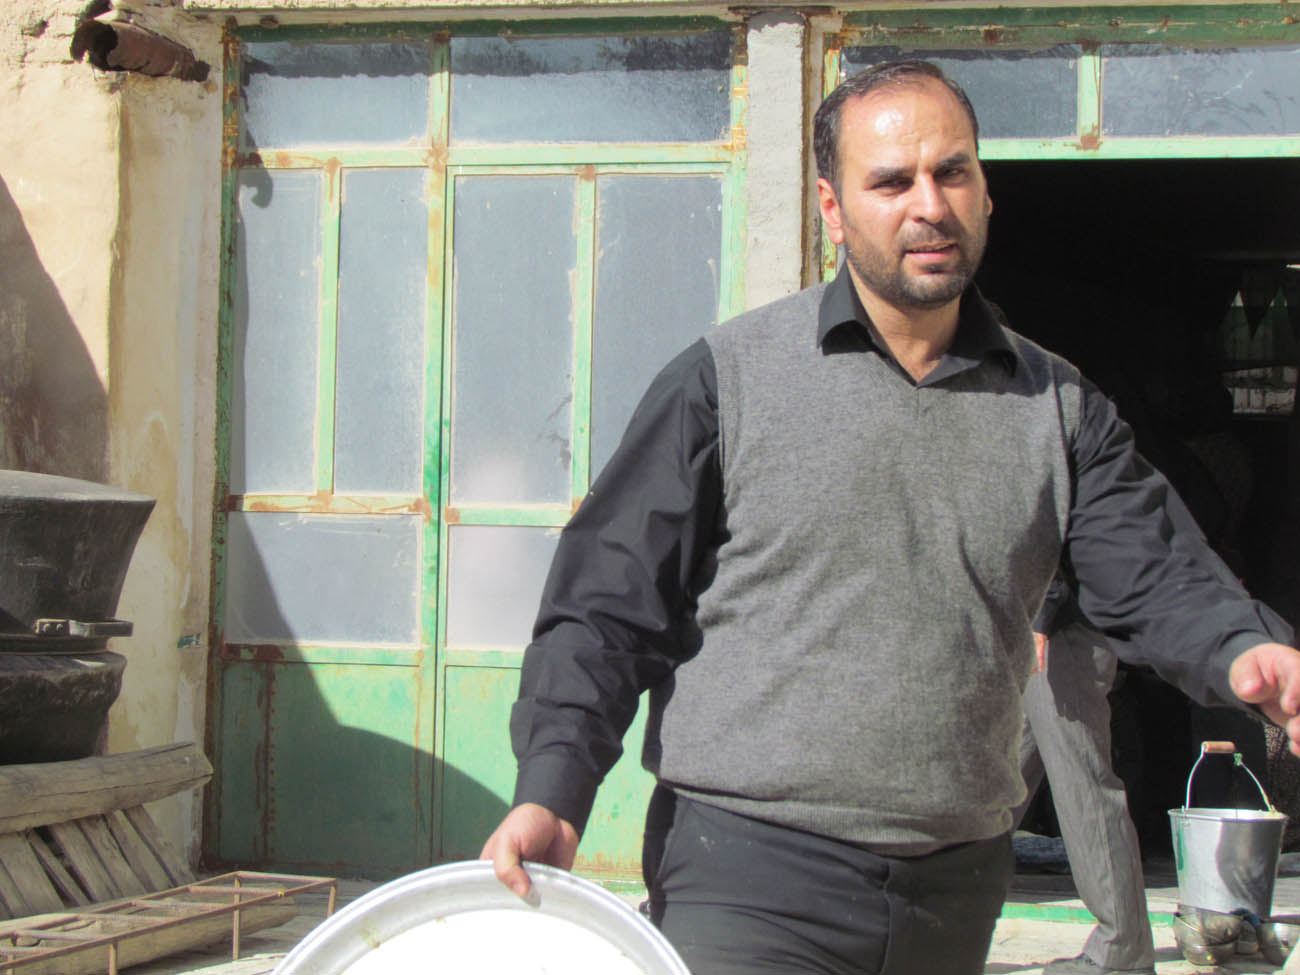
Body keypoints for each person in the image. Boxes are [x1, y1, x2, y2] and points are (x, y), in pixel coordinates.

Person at [481, 60, 1300, 975]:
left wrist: (1242, 646)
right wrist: (554, 786)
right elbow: (608, 602)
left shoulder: (1058, 407)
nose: (930, 205)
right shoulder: (727, 381)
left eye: (952, 173)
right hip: (747, 877)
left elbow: (1151, 566)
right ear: (832, 209)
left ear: (986, 192)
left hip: (956, 889)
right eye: (892, 181)